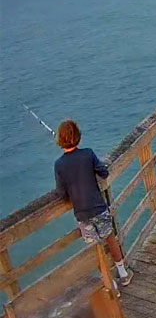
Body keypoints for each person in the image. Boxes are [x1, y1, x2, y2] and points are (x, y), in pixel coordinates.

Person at [54, 120, 132, 287]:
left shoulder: (59, 164)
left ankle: (110, 282)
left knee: (95, 249)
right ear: (78, 137)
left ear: (60, 140)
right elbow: (103, 172)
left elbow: (62, 194)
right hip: (98, 207)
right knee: (110, 238)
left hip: (82, 214)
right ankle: (123, 274)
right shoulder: (88, 154)